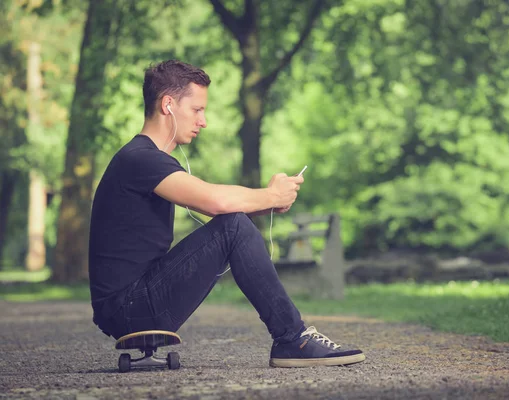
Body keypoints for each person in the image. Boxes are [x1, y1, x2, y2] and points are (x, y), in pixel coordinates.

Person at [88, 60, 365, 368]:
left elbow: (216, 201)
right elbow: (214, 201)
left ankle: (293, 338)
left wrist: (268, 201)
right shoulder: (139, 160)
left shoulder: (144, 160)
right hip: (129, 308)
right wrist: (270, 195)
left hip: (132, 305)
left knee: (234, 223)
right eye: (196, 110)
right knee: (232, 225)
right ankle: (293, 338)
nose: (203, 121)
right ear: (168, 104)